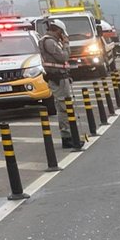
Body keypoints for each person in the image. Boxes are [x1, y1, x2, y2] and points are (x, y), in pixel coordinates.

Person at [39, 19, 79, 150]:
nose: (63, 35)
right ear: (58, 31)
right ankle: (67, 137)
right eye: (62, 33)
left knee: (65, 107)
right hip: (57, 79)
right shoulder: (49, 42)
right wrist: (66, 44)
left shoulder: (51, 41)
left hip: (60, 78)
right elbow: (63, 57)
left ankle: (69, 136)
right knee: (64, 108)